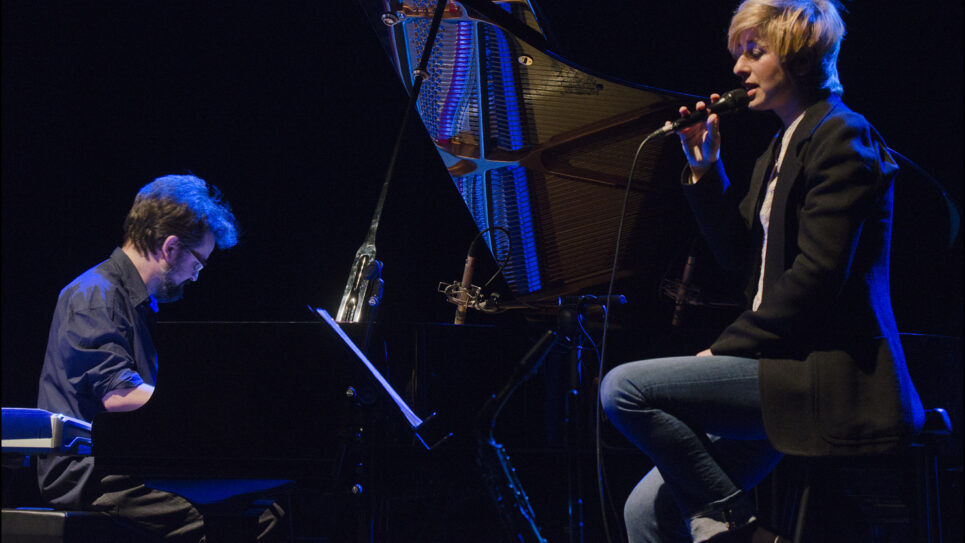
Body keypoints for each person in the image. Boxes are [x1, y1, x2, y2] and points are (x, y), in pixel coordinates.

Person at [599, 1, 924, 541]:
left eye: (755, 52)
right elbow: (739, 257)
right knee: (645, 512)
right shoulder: (783, 143)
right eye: (739, 54)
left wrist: (727, 349)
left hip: (819, 375)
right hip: (778, 372)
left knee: (623, 389)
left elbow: (817, 277)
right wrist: (706, 170)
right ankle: (732, 524)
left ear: (799, 58)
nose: (739, 67)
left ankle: (739, 529)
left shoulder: (842, 135)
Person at [36, 174, 282, 541]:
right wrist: (207, 415)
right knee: (226, 525)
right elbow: (117, 395)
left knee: (267, 510)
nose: (195, 277)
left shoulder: (136, 303)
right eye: (198, 263)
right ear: (171, 247)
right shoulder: (95, 295)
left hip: (129, 465)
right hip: (93, 474)